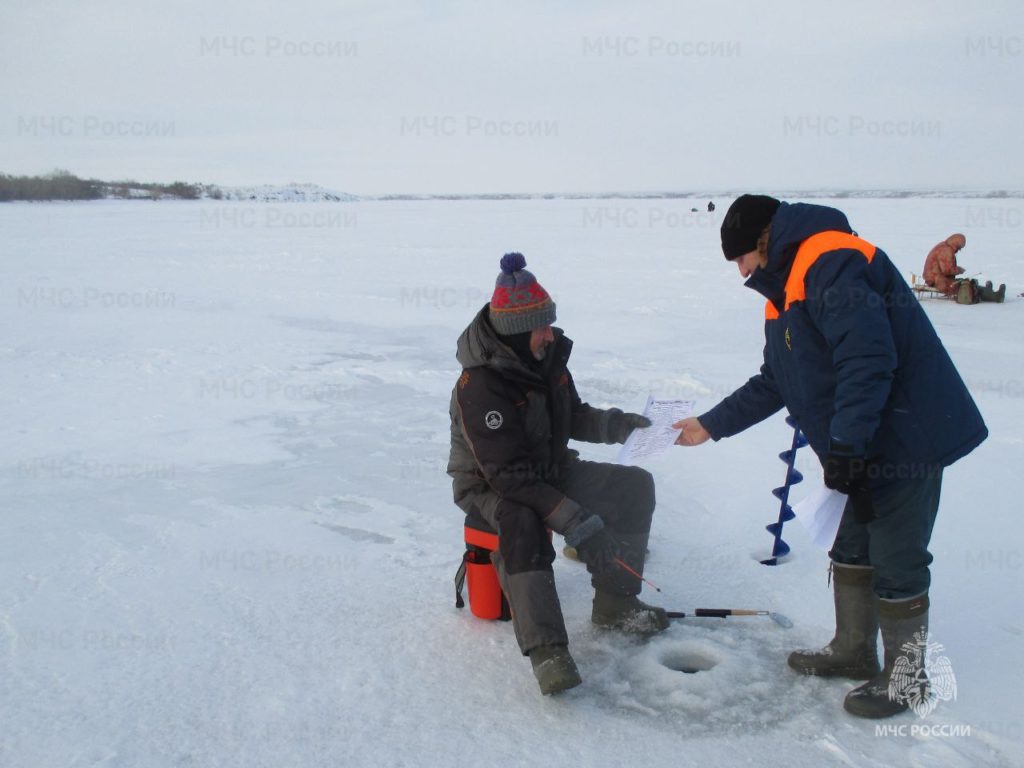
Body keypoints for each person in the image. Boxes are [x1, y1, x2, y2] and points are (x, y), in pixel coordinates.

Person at [673, 195, 987, 718]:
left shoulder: (830, 261)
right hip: (861, 440)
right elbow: (777, 378)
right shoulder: (783, 290)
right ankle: (854, 649)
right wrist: (710, 425)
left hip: (906, 437)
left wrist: (846, 445)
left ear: (761, 242)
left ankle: (908, 680)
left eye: (740, 260)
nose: (740, 272)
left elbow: (868, 359)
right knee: (852, 544)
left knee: (897, 555)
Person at [447, 252, 668, 695]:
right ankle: (548, 650)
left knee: (633, 487)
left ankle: (615, 601)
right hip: (490, 483)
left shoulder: (545, 359)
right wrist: (576, 522)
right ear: (514, 331)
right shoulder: (481, 387)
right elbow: (508, 477)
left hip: (548, 468)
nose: (550, 334)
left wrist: (618, 424)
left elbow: (573, 415)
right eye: (542, 327)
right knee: (522, 519)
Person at [922, 234, 1005, 304]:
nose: (959, 250)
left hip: (935, 279)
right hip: (940, 281)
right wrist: (959, 270)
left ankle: (987, 291)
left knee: (965, 283)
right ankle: (996, 296)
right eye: (959, 248)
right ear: (956, 244)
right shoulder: (946, 250)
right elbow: (947, 270)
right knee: (968, 286)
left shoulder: (942, 246)